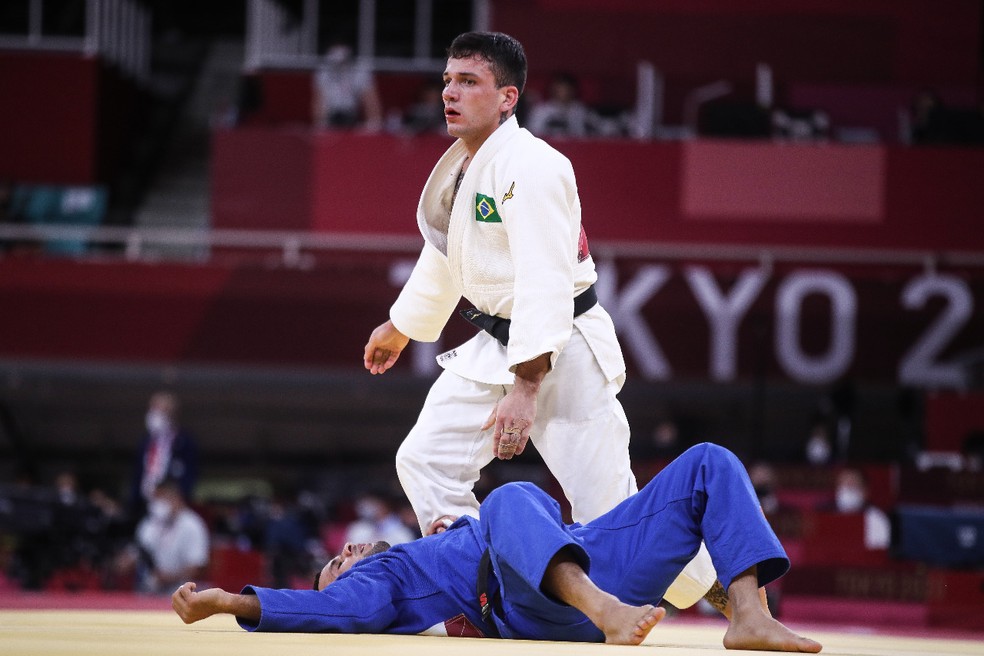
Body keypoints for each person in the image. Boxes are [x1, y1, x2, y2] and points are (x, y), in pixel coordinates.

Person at [362, 30, 715, 611]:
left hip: (561, 347)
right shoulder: (468, 166)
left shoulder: (535, 166)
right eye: (448, 80)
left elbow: (547, 279)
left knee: (610, 511)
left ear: (508, 97)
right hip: (496, 344)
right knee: (426, 459)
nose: (449, 93)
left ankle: (727, 593)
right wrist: (402, 323)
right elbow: (453, 254)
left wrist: (526, 386)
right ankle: (481, 590)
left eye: (468, 82)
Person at [172, 443, 822, 652]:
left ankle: (748, 614)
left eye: (340, 555)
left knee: (709, 463)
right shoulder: (386, 580)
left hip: (588, 550)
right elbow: (335, 612)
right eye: (337, 563)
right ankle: (604, 610)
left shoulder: (425, 546)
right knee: (512, 497)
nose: (348, 550)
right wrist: (229, 601)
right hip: (536, 604)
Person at [118, 479, 209, 594]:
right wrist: (125, 562)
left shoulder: (192, 525)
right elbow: (135, 552)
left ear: (175, 498)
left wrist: (169, 577)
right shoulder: (150, 523)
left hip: (182, 594)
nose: (156, 504)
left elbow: (198, 567)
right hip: (148, 592)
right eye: (155, 499)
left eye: (161, 499)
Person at [128, 391, 200, 520]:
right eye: (152, 409)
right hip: (145, 503)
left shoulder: (184, 442)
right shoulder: (145, 442)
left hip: (171, 505)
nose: (153, 415)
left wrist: (179, 498)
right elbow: (137, 475)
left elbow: (190, 474)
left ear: (171, 414)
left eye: (159, 410)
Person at [312, 39, 383, 131]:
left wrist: (373, 126)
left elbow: (371, 102)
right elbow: (318, 102)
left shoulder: (360, 69)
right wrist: (321, 126)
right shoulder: (323, 70)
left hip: (352, 118)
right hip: (330, 118)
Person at [830, 468, 891, 550]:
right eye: (844, 484)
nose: (848, 489)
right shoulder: (824, 513)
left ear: (865, 491)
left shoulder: (877, 518)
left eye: (853, 484)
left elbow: (878, 553)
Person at [526, 71, 597, 138]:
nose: (563, 92)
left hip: (576, 147)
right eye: (560, 88)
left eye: (567, 89)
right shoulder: (541, 110)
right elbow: (533, 133)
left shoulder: (580, 110)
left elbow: (599, 128)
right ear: (553, 89)